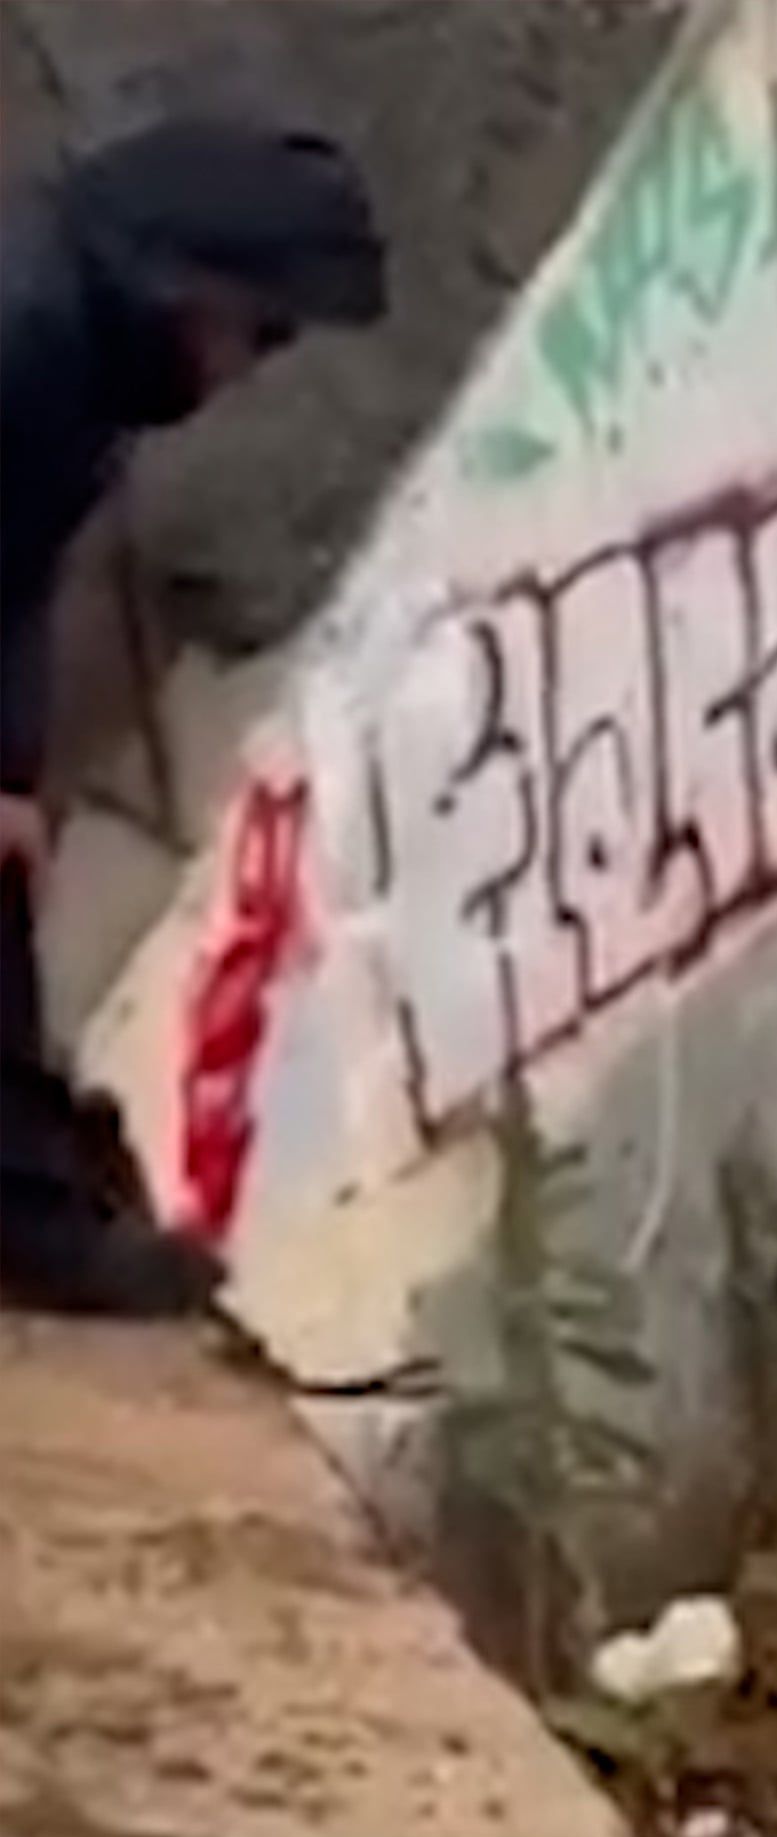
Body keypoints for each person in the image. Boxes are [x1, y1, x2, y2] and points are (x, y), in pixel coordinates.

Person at [0, 116, 385, 1313]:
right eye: (259, 332)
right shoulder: (24, 333)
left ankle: (33, 1186)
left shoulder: (71, 343)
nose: (248, 369)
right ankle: (30, 1218)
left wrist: (11, 772)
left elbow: (8, 580)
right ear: (191, 284)